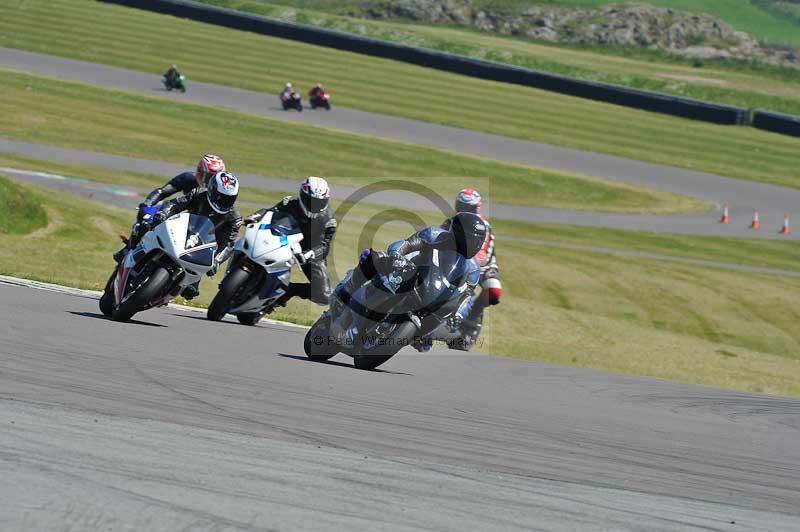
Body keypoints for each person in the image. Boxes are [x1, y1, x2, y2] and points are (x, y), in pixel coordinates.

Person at [336, 212, 487, 351]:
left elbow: (466, 298)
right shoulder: (435, 235)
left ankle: (404, 334)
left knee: (426, 342)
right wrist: (396, 255)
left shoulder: (473, 269)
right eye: (470, 239)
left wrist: (458, 315)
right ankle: (347, 288)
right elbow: (407, 244)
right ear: (457, 233)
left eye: (477, 241)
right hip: (407, 270)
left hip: (432, 293)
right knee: (372, 257)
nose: (473, 245)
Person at [143, 171, 243, 300]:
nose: (224, 201)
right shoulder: (199, 193)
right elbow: (175, 204)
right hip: (183, 229)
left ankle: (186, 284)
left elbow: (229, 244)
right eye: (221, 196)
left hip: (204, 246)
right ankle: (130, 249)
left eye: (229, 198)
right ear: (212, 190)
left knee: (190, 291)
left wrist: (217, 261)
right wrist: (163, 214)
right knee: (146, 226)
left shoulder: (234, 218)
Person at [244, 176, 337, 311]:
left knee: (324, 296)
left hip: (308, 251)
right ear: (302, 195)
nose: (314, 205)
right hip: (284, 238)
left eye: (318, 202)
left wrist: (310, 254)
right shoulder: (289, 203)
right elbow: (270, 212)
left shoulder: (329, 221)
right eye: (310, 200)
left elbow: (325, 246)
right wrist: (255, 216)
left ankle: (288, 291)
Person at [114, 155, 226, 263]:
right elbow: (162, 191)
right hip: (176, 213)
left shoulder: (223, 196)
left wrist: (216, 256)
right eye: (207, 177)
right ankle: (129, 249)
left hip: (197, 228)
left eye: (214, 178)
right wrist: (147, 204)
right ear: (199, 172)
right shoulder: (188, 178)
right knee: (146, 218)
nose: (209, 182)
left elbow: (225, 228)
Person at [449, 188, 502, 350]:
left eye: (469, 208)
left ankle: (471, 319)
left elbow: (482, 254)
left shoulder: (484, 226)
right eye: (461, 207)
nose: (464, 211)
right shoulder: (452, 222)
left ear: (477, 208)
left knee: (494, 290)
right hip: (459, 260)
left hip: (484, 266)